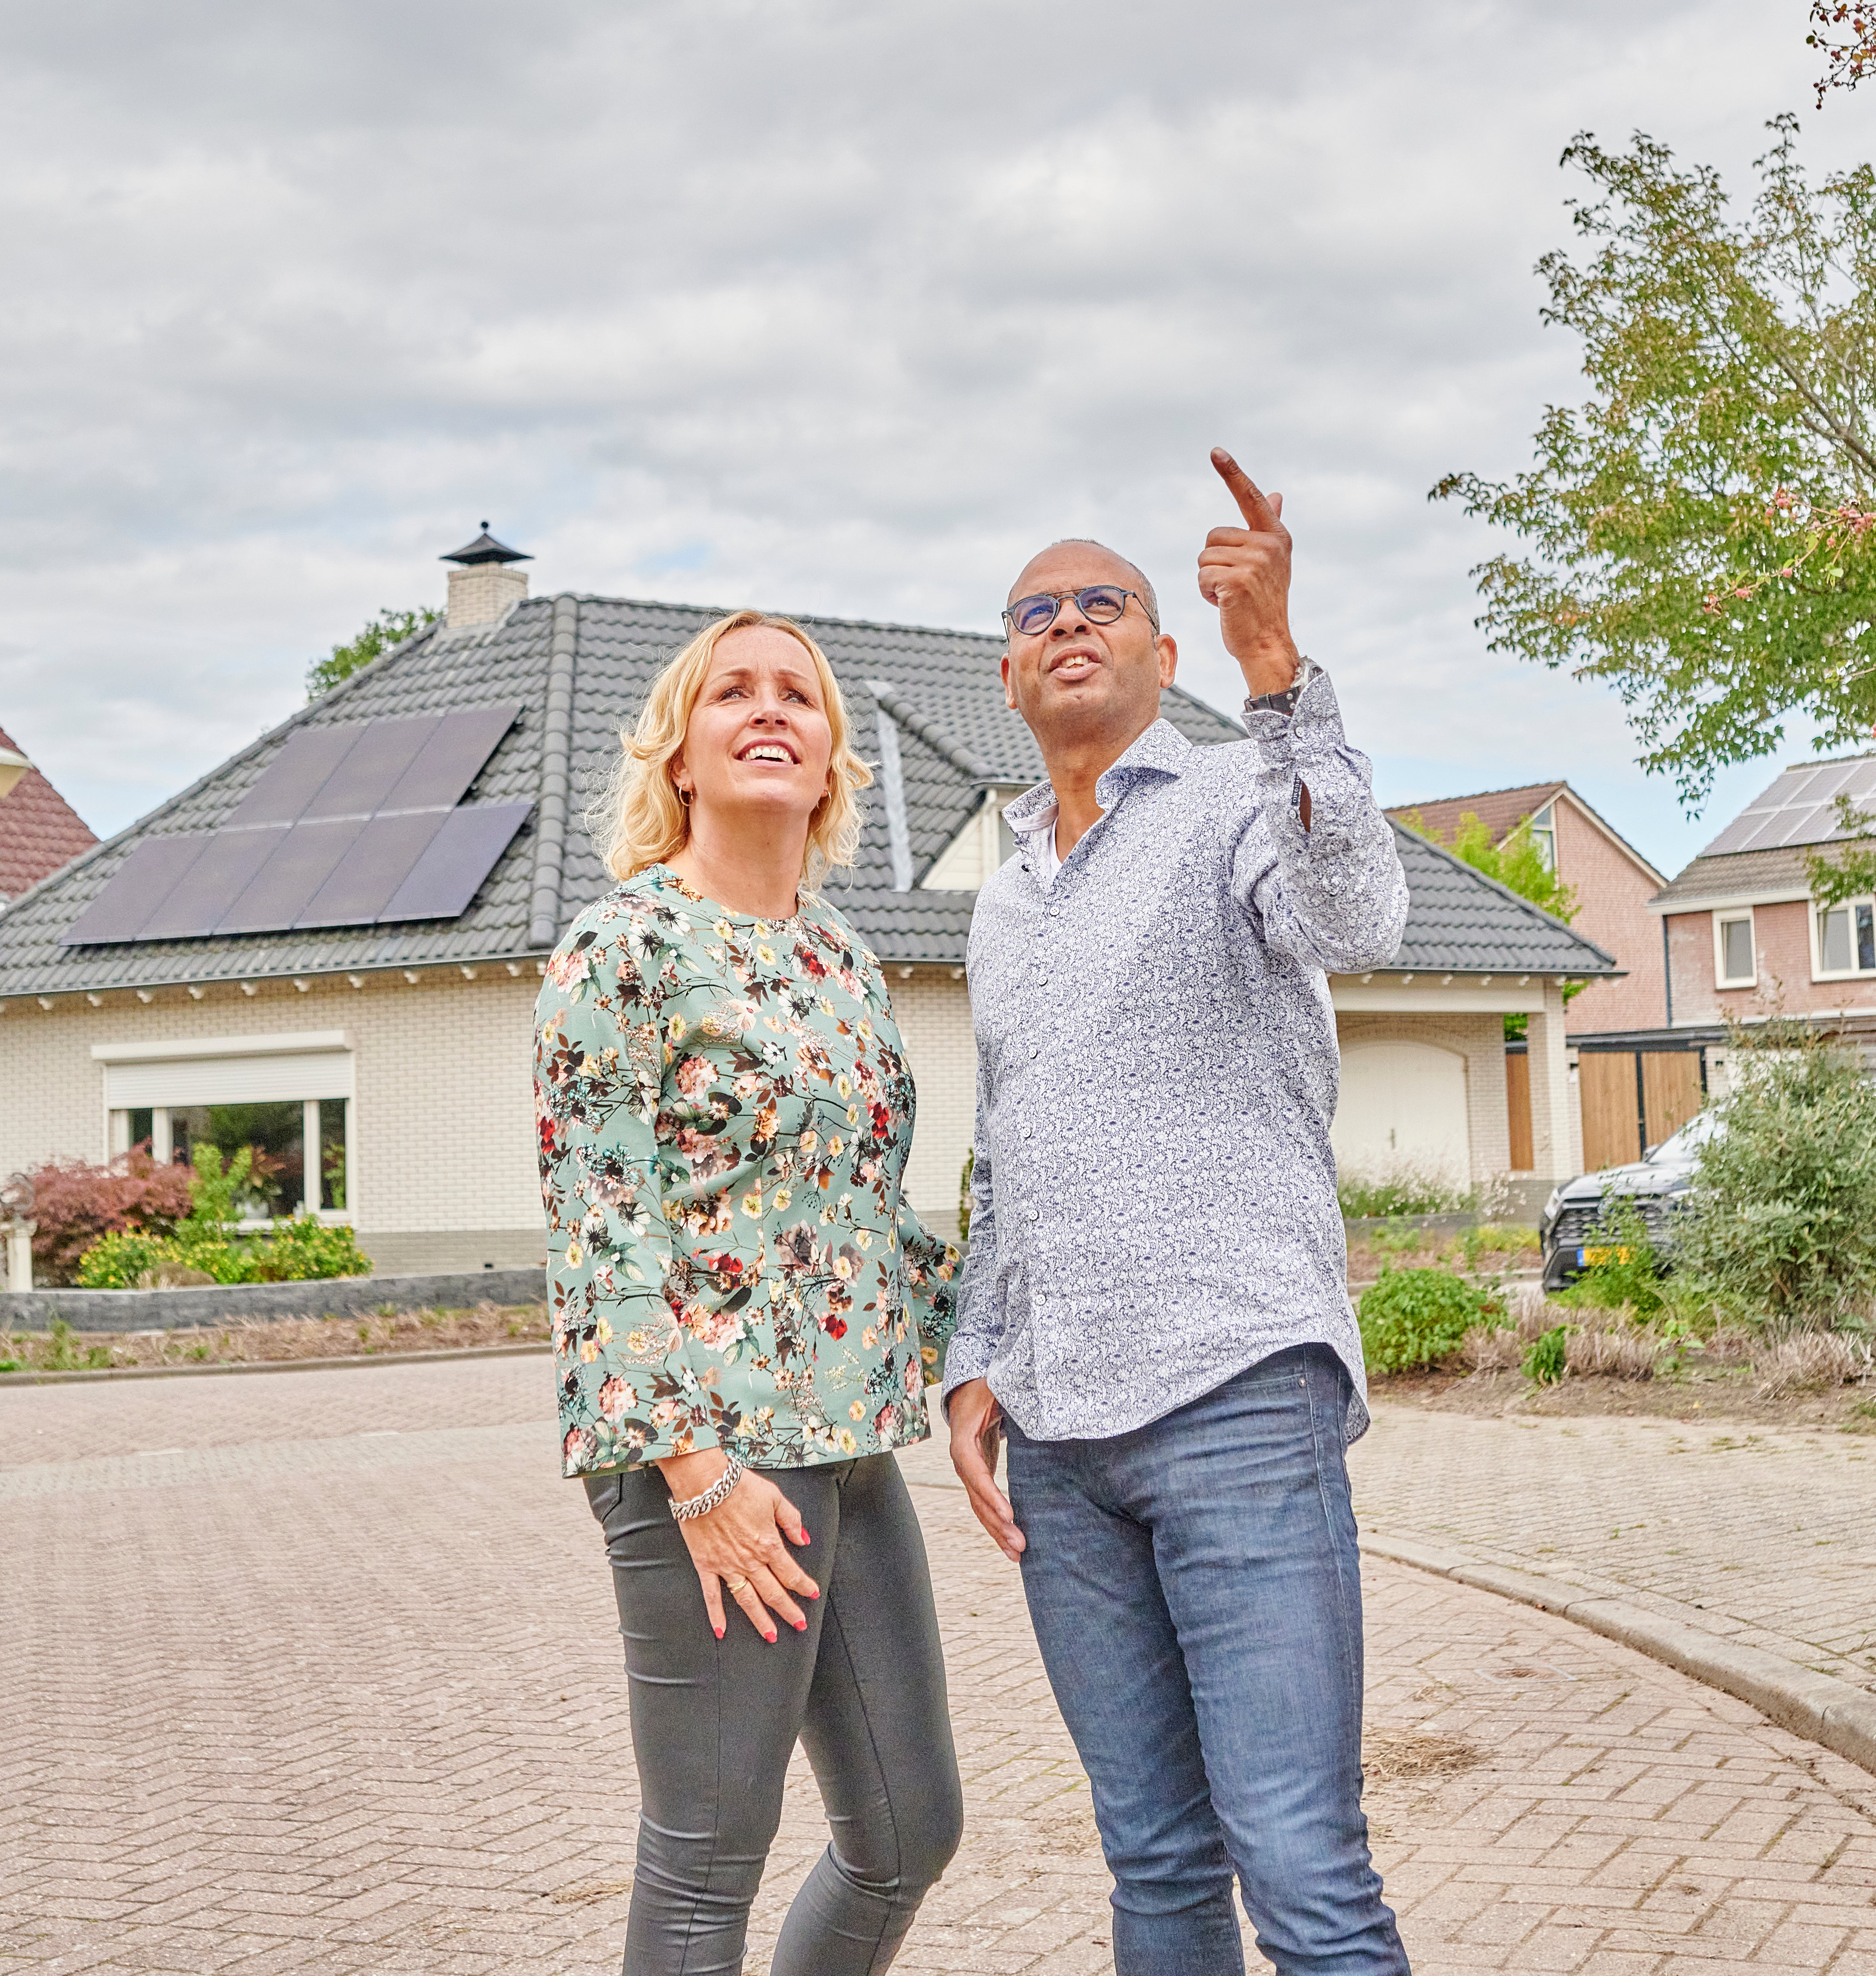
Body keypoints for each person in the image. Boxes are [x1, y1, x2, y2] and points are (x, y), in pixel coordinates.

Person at [940, 451, 1415, 1976]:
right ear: (1009, 673)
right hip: (1061, 1447)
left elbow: (1361, 915)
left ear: (1158, 651)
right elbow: (1006, 1149)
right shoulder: (1001, 894)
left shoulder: (1234, 801)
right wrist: (974, 1355)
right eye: (1038, 611)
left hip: (1235, 1400)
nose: (1070, 622)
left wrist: (1278, 672)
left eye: (1107, 601)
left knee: (1301, 1867)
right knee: (1152, 1861)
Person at [537, 609, 964, 1976]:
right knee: (708, 1860)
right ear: (681, 753)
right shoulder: (624, 951)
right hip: (706, 1464)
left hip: (849, 1451)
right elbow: (600, 1235)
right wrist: (699, 1476)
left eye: (798, 693)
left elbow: (869, 1220)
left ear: (834, 761)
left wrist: (981, 1351)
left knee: (910, 1830)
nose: (768, 709)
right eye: (733, 693)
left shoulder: (846, 961)